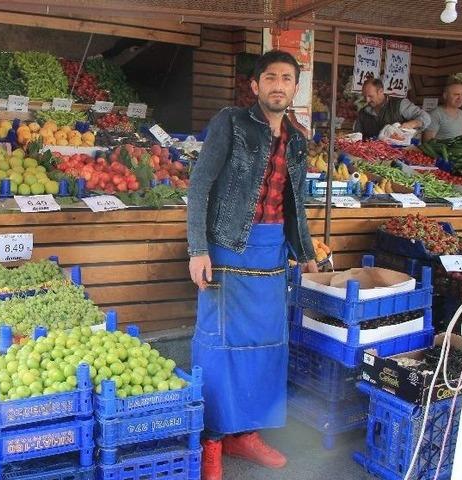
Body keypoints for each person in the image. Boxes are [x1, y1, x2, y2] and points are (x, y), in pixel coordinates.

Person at [186, 50, 317, 480]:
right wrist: (197, 249)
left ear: (295, 87)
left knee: (266, 349)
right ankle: (211, 440)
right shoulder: (231, 122)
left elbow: (295, 204)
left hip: (272, 252)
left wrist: (308, 253)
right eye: (270, 78)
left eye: (286, 78)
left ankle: (247, 434)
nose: (278, 85)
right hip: (226, 249)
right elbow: (201, 184)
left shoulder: (297, 138)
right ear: (255, 86)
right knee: (219, 345)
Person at [355, 78, 430, 139]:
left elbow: (425, 117)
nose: (367, 100)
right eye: (365, 96)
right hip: (372, 153)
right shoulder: (363, 112)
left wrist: (412, 124)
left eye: (370, 96)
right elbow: (357, 135)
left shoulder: (399, 104)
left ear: (381, 91)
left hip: (400, 152)